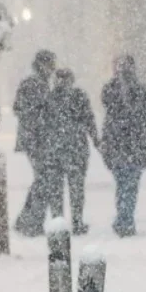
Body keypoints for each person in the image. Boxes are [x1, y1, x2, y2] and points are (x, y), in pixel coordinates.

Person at [101, 55, 146, 237]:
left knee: (126, 184)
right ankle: (125, 220)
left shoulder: (119, 90)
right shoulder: (123, 90)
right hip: (128, 144)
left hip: (125, 145)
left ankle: (124, 219)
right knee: (128, 185)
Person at [45, 69, 98, 235]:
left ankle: (58, 223)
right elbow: (89, 119)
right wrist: (96, 139)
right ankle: (76, 222)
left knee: (56, 189)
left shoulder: (49, 97)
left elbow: (41, 125)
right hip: (76, 149)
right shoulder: (78, 96)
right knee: (76, 188)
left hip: (55, 149)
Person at [13, 50, 58, 236]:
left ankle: (26, 219)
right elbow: (22, 109)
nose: (53, 68)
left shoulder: (40, 83)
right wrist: (41, 121)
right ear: (42, 64)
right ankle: (31, 222)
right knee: (45, 181)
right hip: (36, 140)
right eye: (51, 64)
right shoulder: (34, 84)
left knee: (43, 180)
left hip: (37, 139)